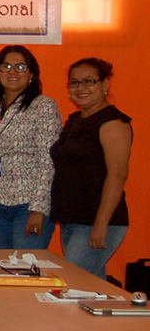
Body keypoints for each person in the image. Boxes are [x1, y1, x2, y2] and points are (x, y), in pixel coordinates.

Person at [50, 58, 132, 279]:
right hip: (72, 220)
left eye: (89, 81)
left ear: (104, 85)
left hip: (97, 222)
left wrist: (100, 225)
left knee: (70, 282)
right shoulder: (76, 120)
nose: (80, 88)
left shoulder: (113, 123)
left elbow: (117, 175)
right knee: (90, 290)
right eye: (74, 83)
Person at [0, 46, 62, 250]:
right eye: (6, 66)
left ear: (32, 74)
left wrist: (39, 209)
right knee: (5, 271)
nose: (13, 71)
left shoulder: (43, 106)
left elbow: (49, 161)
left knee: (25, 271)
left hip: (29, 205)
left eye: (20, 66)